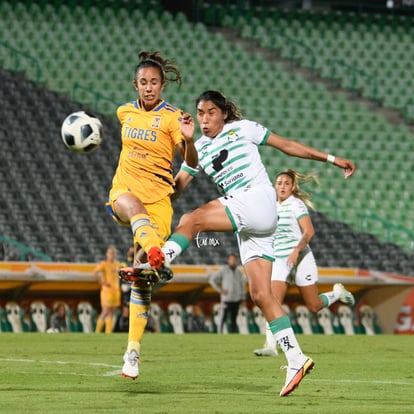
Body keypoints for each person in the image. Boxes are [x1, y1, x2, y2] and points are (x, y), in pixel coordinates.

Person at [159, 90, 356, 397]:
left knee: (193, 218)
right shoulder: (196, 148)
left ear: (224, 113)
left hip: (258, 199)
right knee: (261, 295)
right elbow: (177, 187)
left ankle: (161, 259)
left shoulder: (244, 128)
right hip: (251, 222)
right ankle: (296, 359)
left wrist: (330, 159)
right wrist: (151, 193)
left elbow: (287, 146)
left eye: (211, 112)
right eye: (200, 113)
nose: (205, 118)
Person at [105, 51, 198, 379]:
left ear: (162, 85)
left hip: (160, 201)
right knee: (131, 206)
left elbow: (192, 161)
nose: (149, 88)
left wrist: (188, 141)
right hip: (125, 192)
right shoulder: (124, 112)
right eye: (143, 82)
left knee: (141, 279)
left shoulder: (174, 118)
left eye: (154, 82)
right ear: (135, 84)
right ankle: (158, 254)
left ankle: (132, 351)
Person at [253, 169, 355, 357]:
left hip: (300, 257)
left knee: (314, 306)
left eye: (286, 183)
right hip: (280, 260)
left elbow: (309, 232)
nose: (282, 186)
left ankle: (336, 293)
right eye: (279, 183)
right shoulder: (270, 206)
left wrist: (296, 250)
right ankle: (270, 345)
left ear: (292, 188)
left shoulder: (296, 205)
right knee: (272, 300)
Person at [209, 253, 246, 333]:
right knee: (223, 317)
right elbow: (212, 280)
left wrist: (243, 298)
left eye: (234, 260)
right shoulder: (223, 270)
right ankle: (220, 333)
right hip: (226, 299)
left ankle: (232, 335)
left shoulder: (239, 272)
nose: (233, 261)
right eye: (231, 259)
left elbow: (242, 286)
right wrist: (220, 290)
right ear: (228, 260)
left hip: (236, 299)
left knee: (234, 318)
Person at [93, 246, 121, 334]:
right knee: (105, 311)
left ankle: (108, 332)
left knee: (112, 311)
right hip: (107, 290)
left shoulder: (117, 264)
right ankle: (97, 331)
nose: (111, 255)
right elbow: (94, 273)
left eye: (113, 253)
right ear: (107, 254)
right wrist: (102, 283)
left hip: (115, 291)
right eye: (110, 253)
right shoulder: (104, 264)